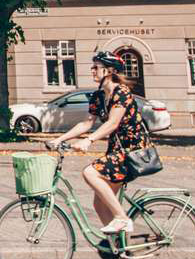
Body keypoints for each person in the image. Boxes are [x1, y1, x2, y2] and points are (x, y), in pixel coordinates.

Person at [49, 50, 154, 235]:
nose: (92, 71)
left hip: (132, 151)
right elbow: (86, 123)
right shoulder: (99, 96)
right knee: (99, 204)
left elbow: (113, 123)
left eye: (96, 67)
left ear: (110, 71)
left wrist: (88, 140)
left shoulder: (122, 93)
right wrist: (60, 139)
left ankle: (122, 218)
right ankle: (119, 249)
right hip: (116, 151)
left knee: (90, 173)